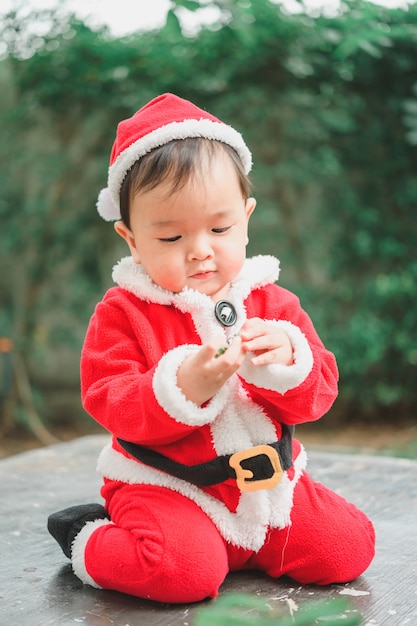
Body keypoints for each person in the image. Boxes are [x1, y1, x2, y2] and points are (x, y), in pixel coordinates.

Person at [47, 93, 375, 603]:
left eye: (220, 229)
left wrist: (289, 360)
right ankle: (87, 538)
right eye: (172, 236)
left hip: (267, 487)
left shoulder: (272, 300)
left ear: (245, 218)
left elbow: (319, 393)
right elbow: (107, 397)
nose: (201, 249)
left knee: (348, 548)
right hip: (169, 486)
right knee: (183, 574)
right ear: (131, 239)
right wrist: (179, 387)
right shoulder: (123, 312)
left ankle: (247, 545)